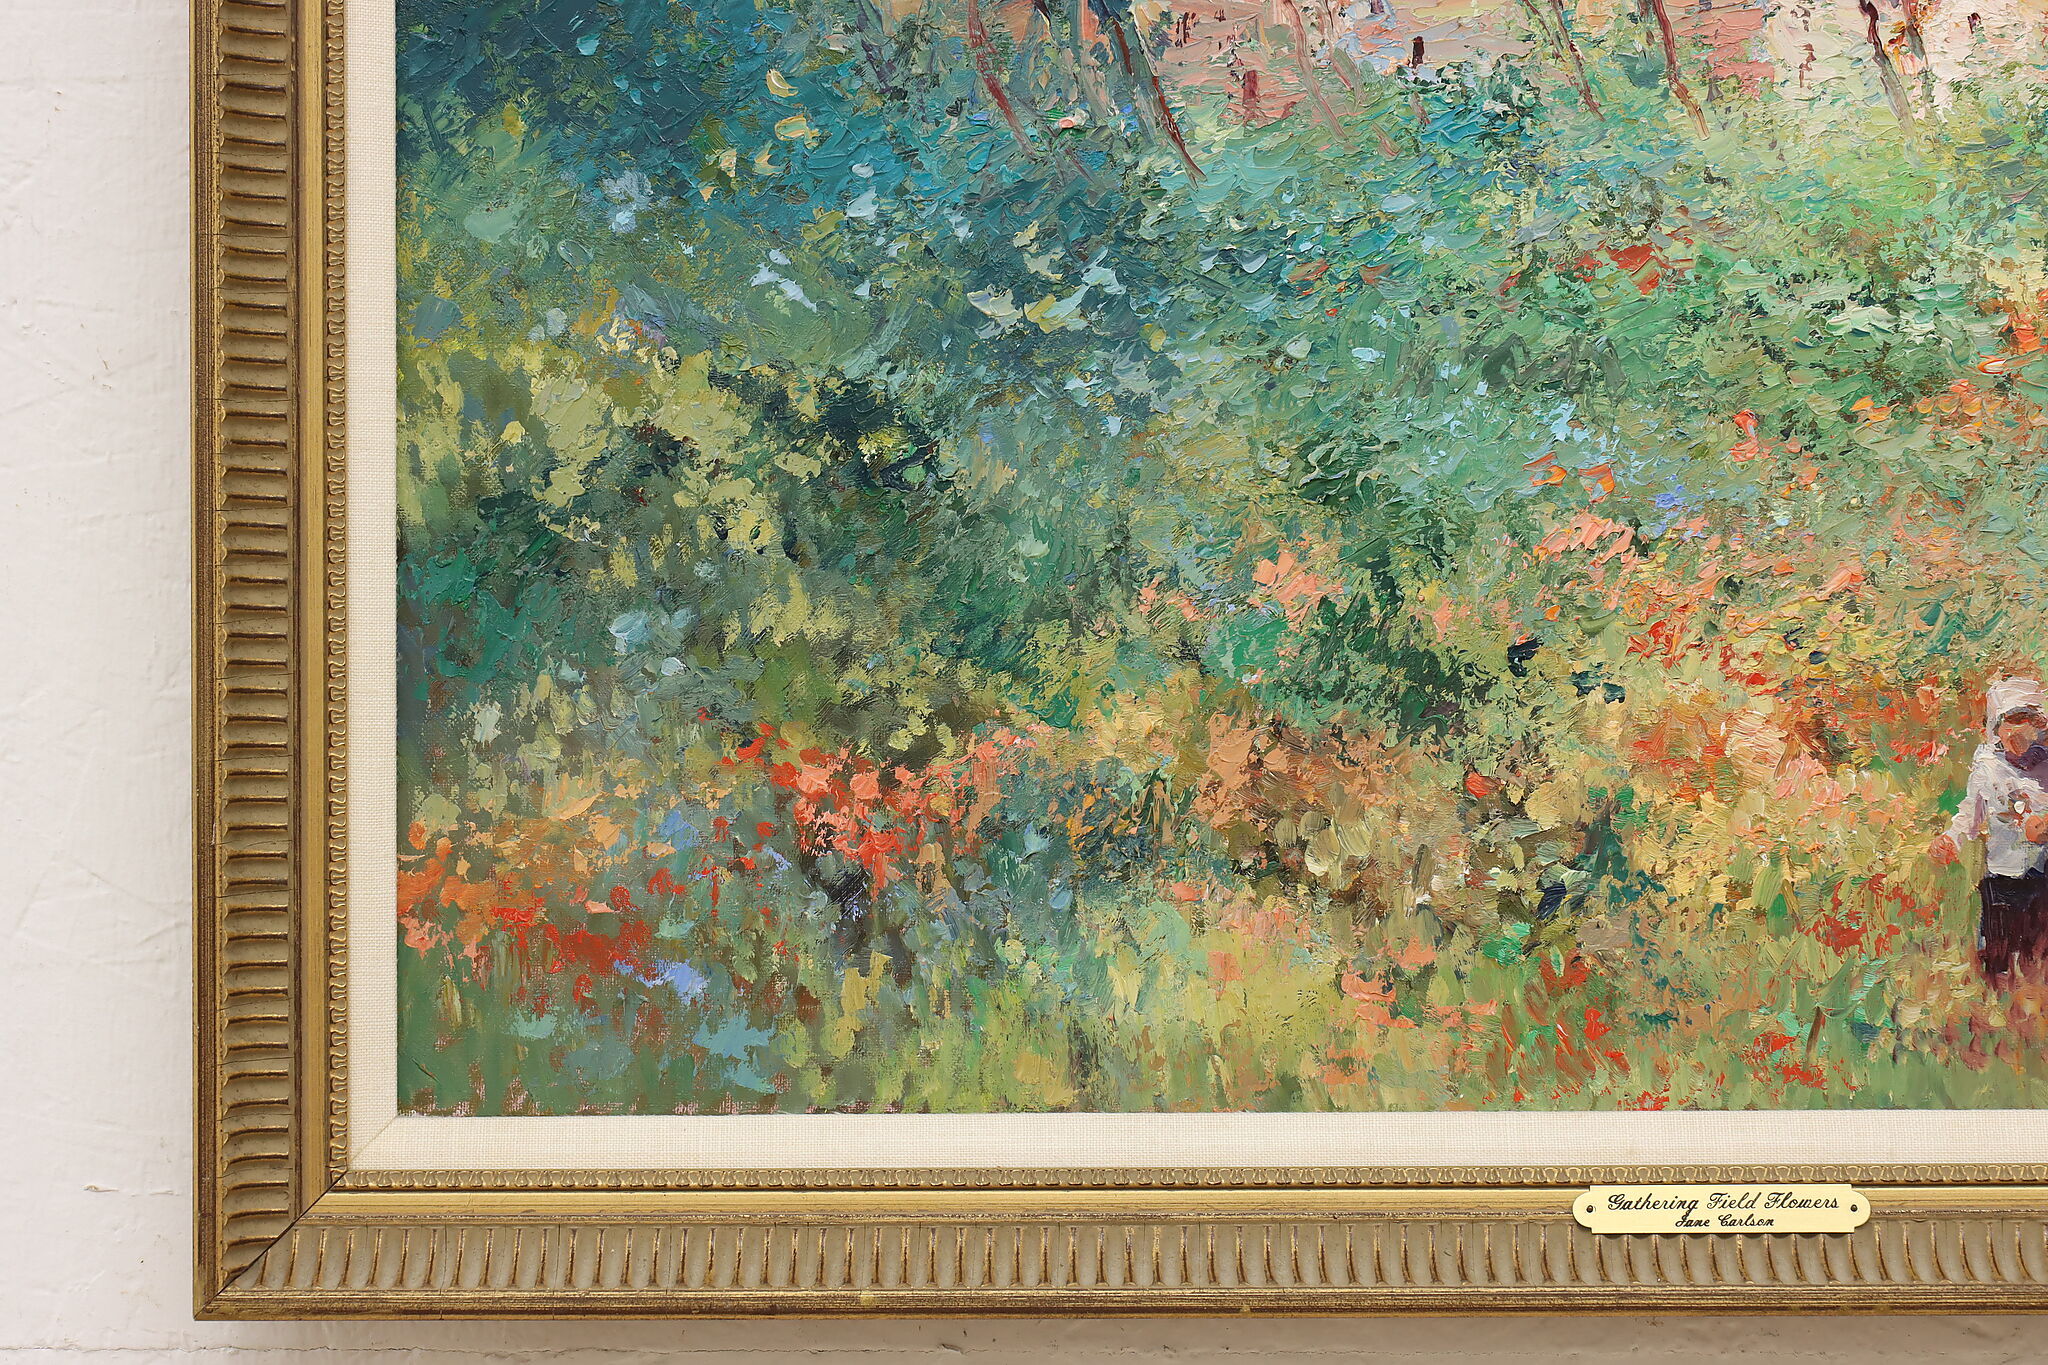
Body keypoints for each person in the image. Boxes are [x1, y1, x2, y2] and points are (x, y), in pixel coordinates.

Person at [1930, 678, 2048, 988]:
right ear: (1996, 727)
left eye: (2024, 722)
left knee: (2038, 958)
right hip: (2002, 874)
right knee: (1998, 957)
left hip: (2043, 874)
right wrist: (1951, 838)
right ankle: (1995, 1004)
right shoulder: (1987, 764)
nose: (2015, 732)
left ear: (2038, 725)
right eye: (2007, 723)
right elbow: (1972, 812)